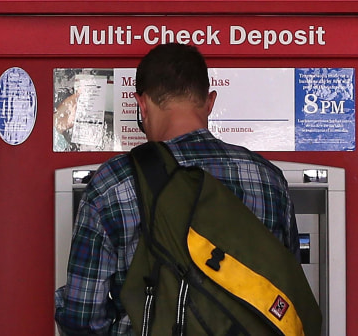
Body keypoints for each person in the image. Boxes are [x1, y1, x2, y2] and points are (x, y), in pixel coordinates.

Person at [54, 43, 300, 335]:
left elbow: (83, 318)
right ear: (210, 102)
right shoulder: (268, 180)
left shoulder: (113, 183)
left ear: (141, 105)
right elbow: (288, 292)